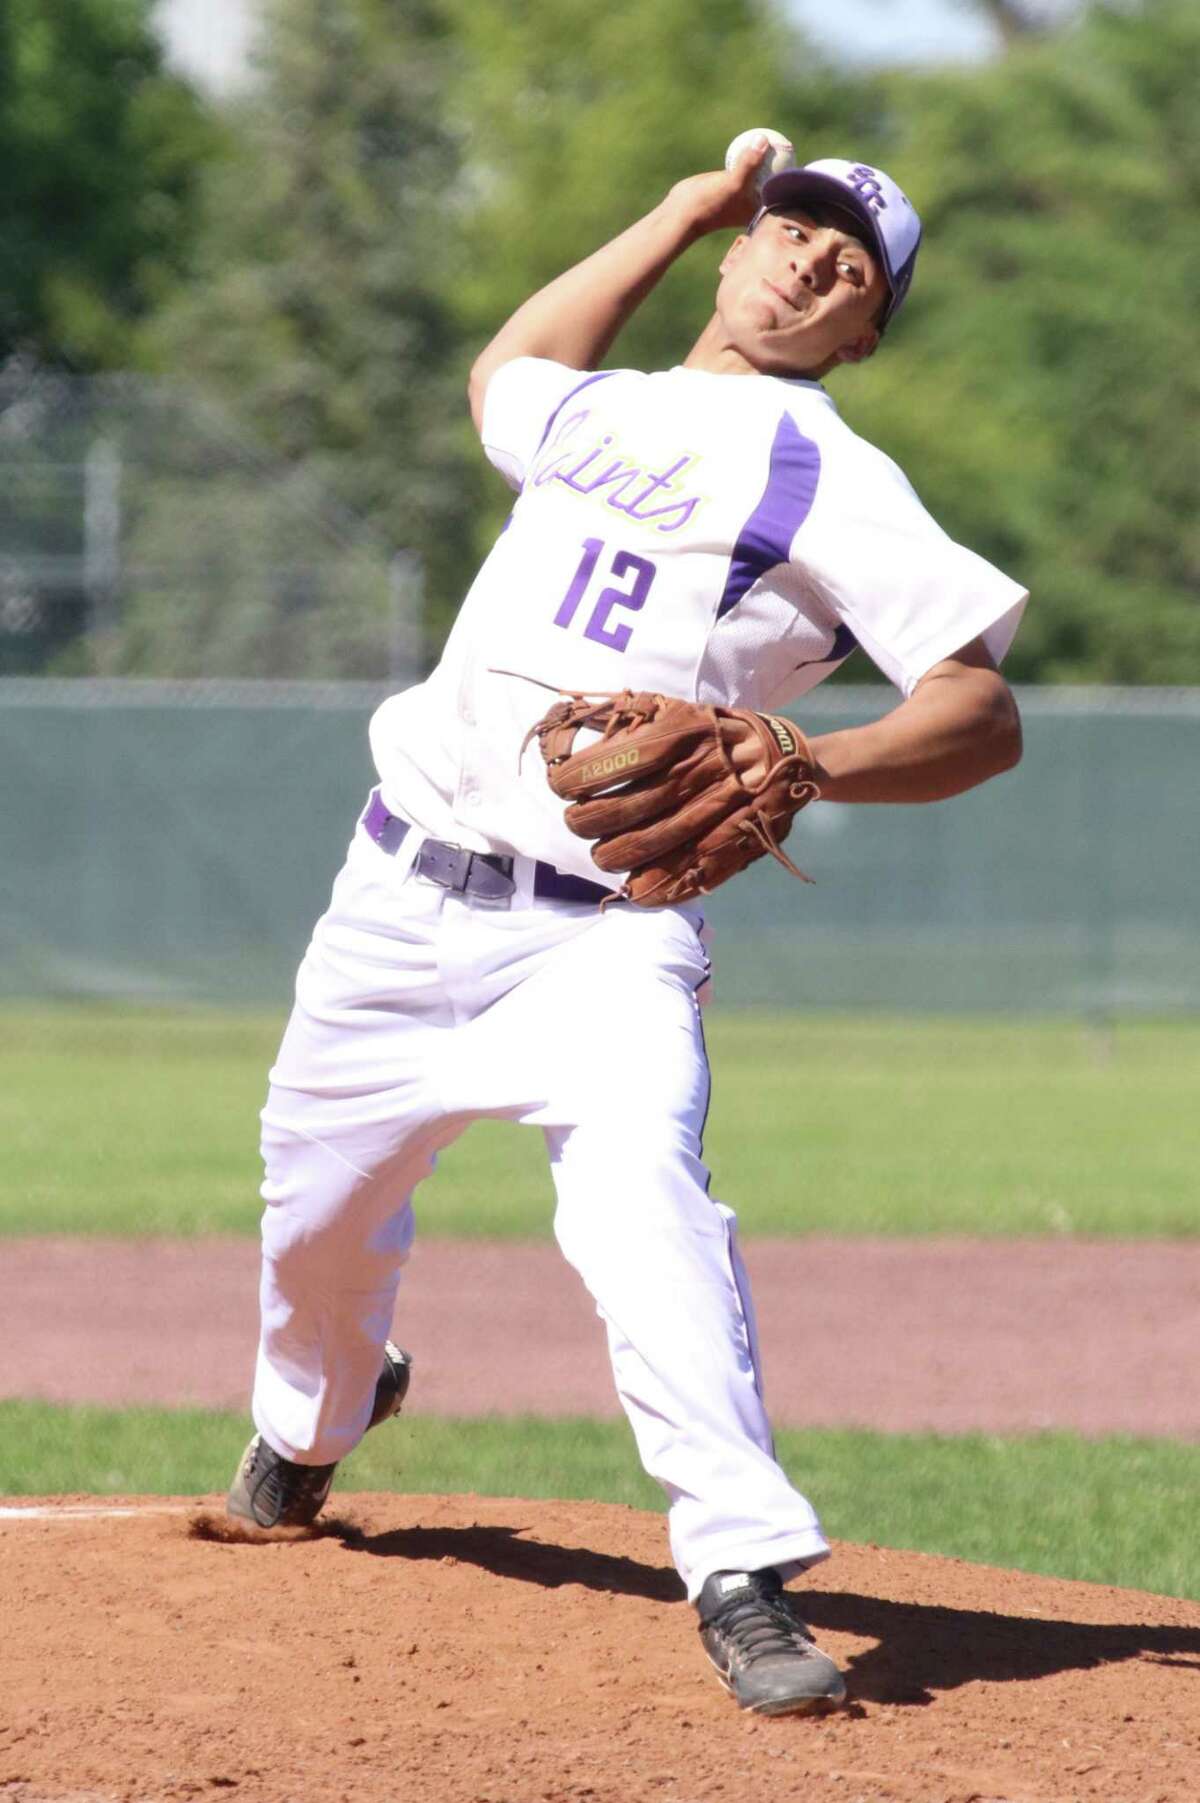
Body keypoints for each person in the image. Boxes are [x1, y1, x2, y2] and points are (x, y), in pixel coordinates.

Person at [227, 140, 1026, 1716]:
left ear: (864, 333)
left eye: (849, 269)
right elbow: (507, 372)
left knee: (647, 1207)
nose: (806, 263)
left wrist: (815, 757)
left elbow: (981, 711)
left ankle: (740, 1567)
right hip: (392, 902)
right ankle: (318, 1422)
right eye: (791, 232)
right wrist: (674, 207)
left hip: (602, 935)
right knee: (312, 1238)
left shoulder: (832, 473)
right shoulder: (597, 412)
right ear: (738, 251)